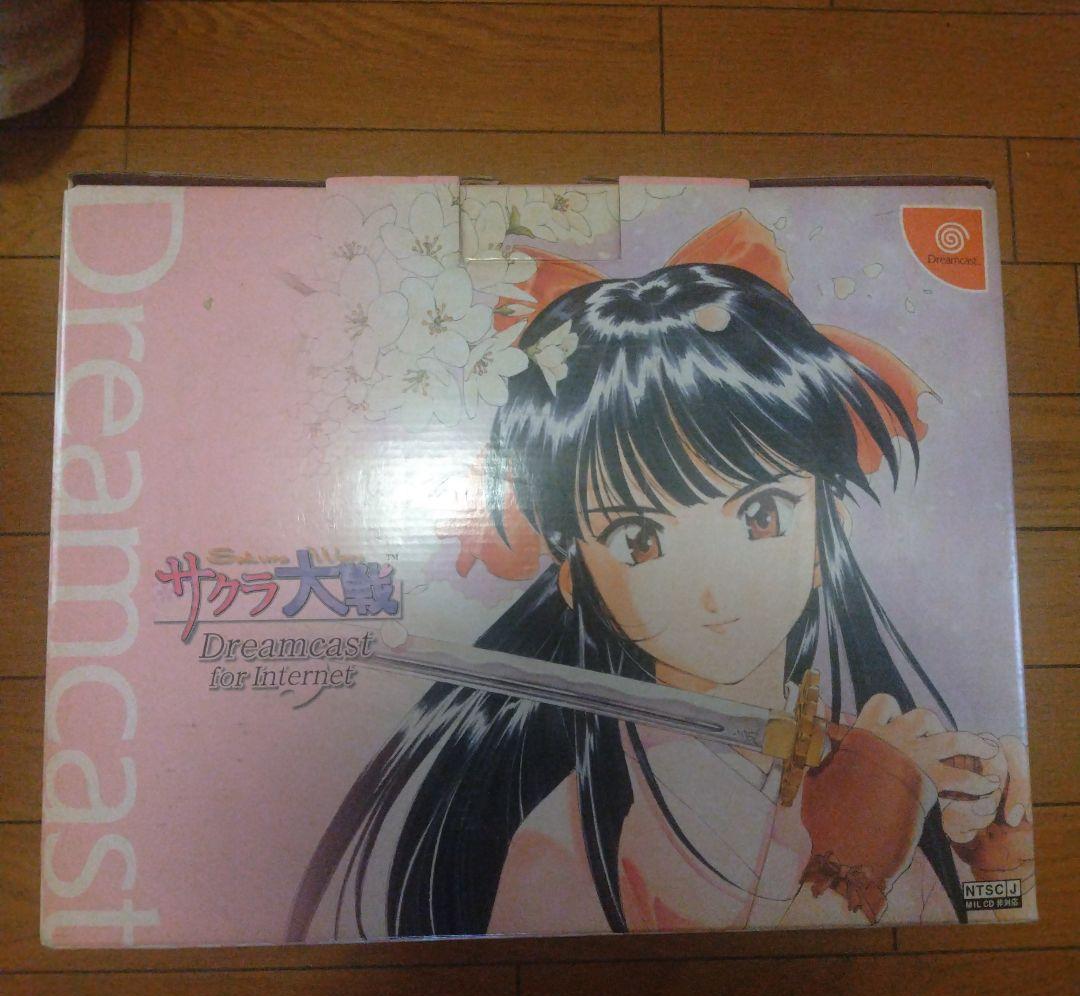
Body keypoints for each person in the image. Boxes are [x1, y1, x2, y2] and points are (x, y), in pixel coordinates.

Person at [288, 214, 1033, 941]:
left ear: (822, 531)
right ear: (575, 575)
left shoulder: (864, 757)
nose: (712, 589)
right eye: (638, 538)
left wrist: (988, 864)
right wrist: (847, 868)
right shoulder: (563, 846)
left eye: (763, 514)